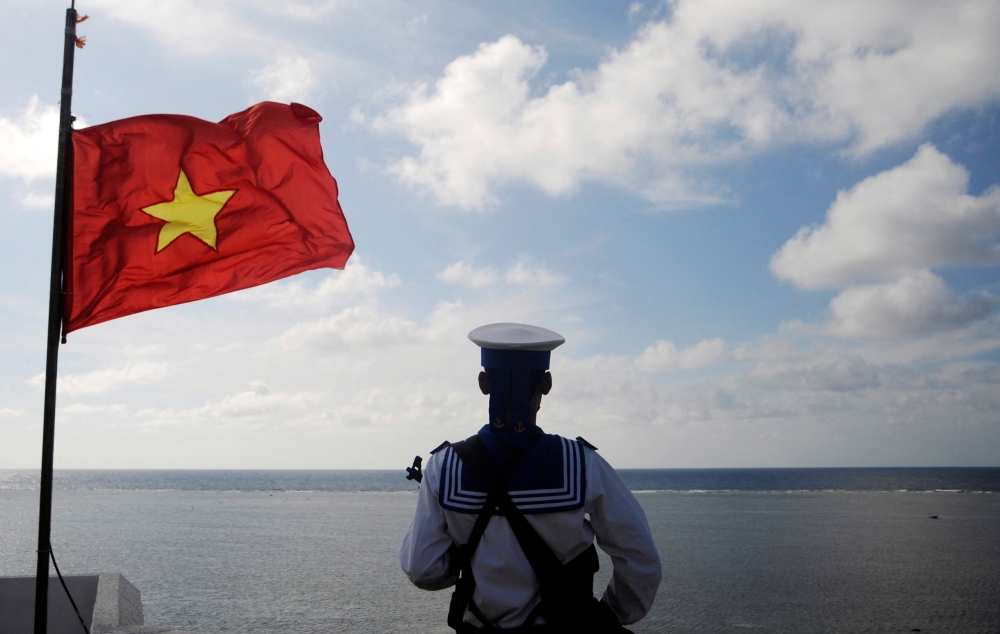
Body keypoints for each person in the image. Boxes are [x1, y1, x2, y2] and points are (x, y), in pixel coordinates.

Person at [399, 323, 661, 633]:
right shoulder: (582, 463)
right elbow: (641, 559)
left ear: (483, 383)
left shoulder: (443, 466)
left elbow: (422, 569)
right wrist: (612, 612)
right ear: (547, 383)